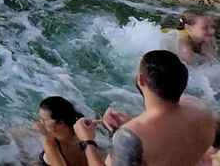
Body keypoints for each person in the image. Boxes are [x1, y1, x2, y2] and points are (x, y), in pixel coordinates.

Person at [74, 50, 213, 166]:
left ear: (141, 79)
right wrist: (131, 126)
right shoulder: (199, 107)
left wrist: (88, 141)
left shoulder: (130, 137)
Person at [35, 96, 86, 166]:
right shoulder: (84, 134)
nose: (41, 122)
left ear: (60, 123)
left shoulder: (83, 134)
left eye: (44, 120)